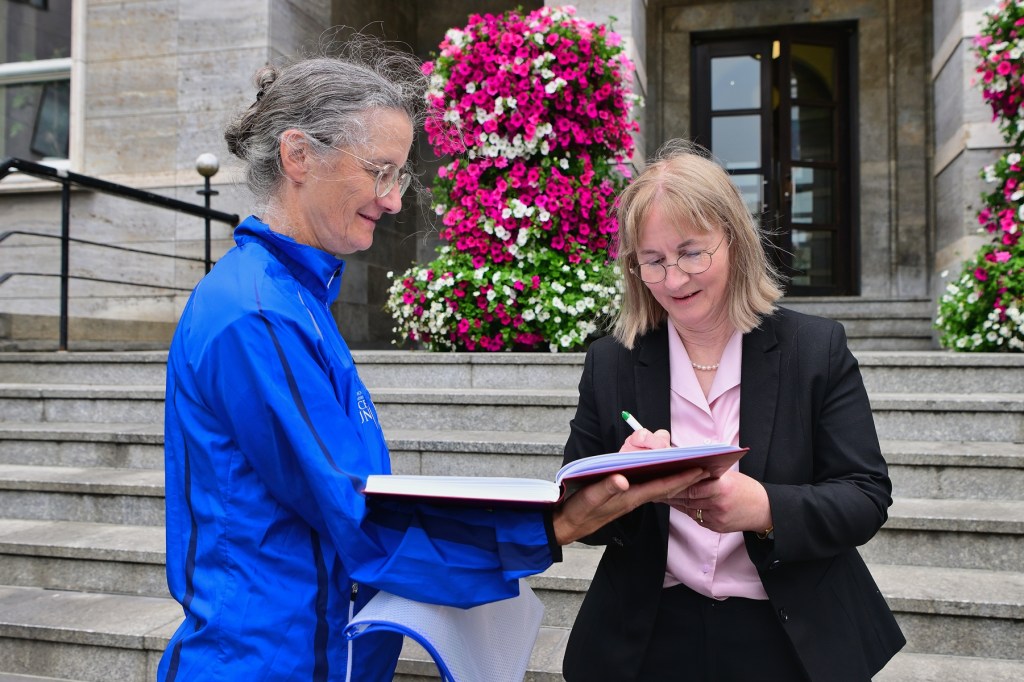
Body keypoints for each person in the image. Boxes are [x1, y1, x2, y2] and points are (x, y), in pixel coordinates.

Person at [157, 40, 707, 682]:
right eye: (380, 171)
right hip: (270, 662)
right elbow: (355, 515)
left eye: (400, 176)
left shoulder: (289, 297)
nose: (393, 200)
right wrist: (553, 525)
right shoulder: (259, 312)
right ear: (299, 155)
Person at [560, 139, 906, 681]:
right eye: (653, 261)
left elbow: (865, 496)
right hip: (648, 633)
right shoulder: (612, 362)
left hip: (788, 633)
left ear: (735, 241)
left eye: (692, 253)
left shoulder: (814, 349)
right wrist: (621, 481)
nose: (674, 279)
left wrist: (763, 508)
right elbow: (577, 514)